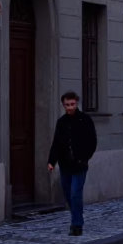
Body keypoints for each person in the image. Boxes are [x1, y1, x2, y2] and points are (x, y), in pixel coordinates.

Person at [47, 91, 97, 236]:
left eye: (72, 104)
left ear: (77, 103)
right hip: (65, 165)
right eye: (67, 105)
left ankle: (76, 224)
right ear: (63, 105)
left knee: (76, 193)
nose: (70, 107)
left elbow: (92, 141)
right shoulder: (61, 122)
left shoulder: (85, 120)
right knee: (68, 194)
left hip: (80, 165)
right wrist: (51, 161)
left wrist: (84, 158)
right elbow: (56, 143)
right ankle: (77, 213)